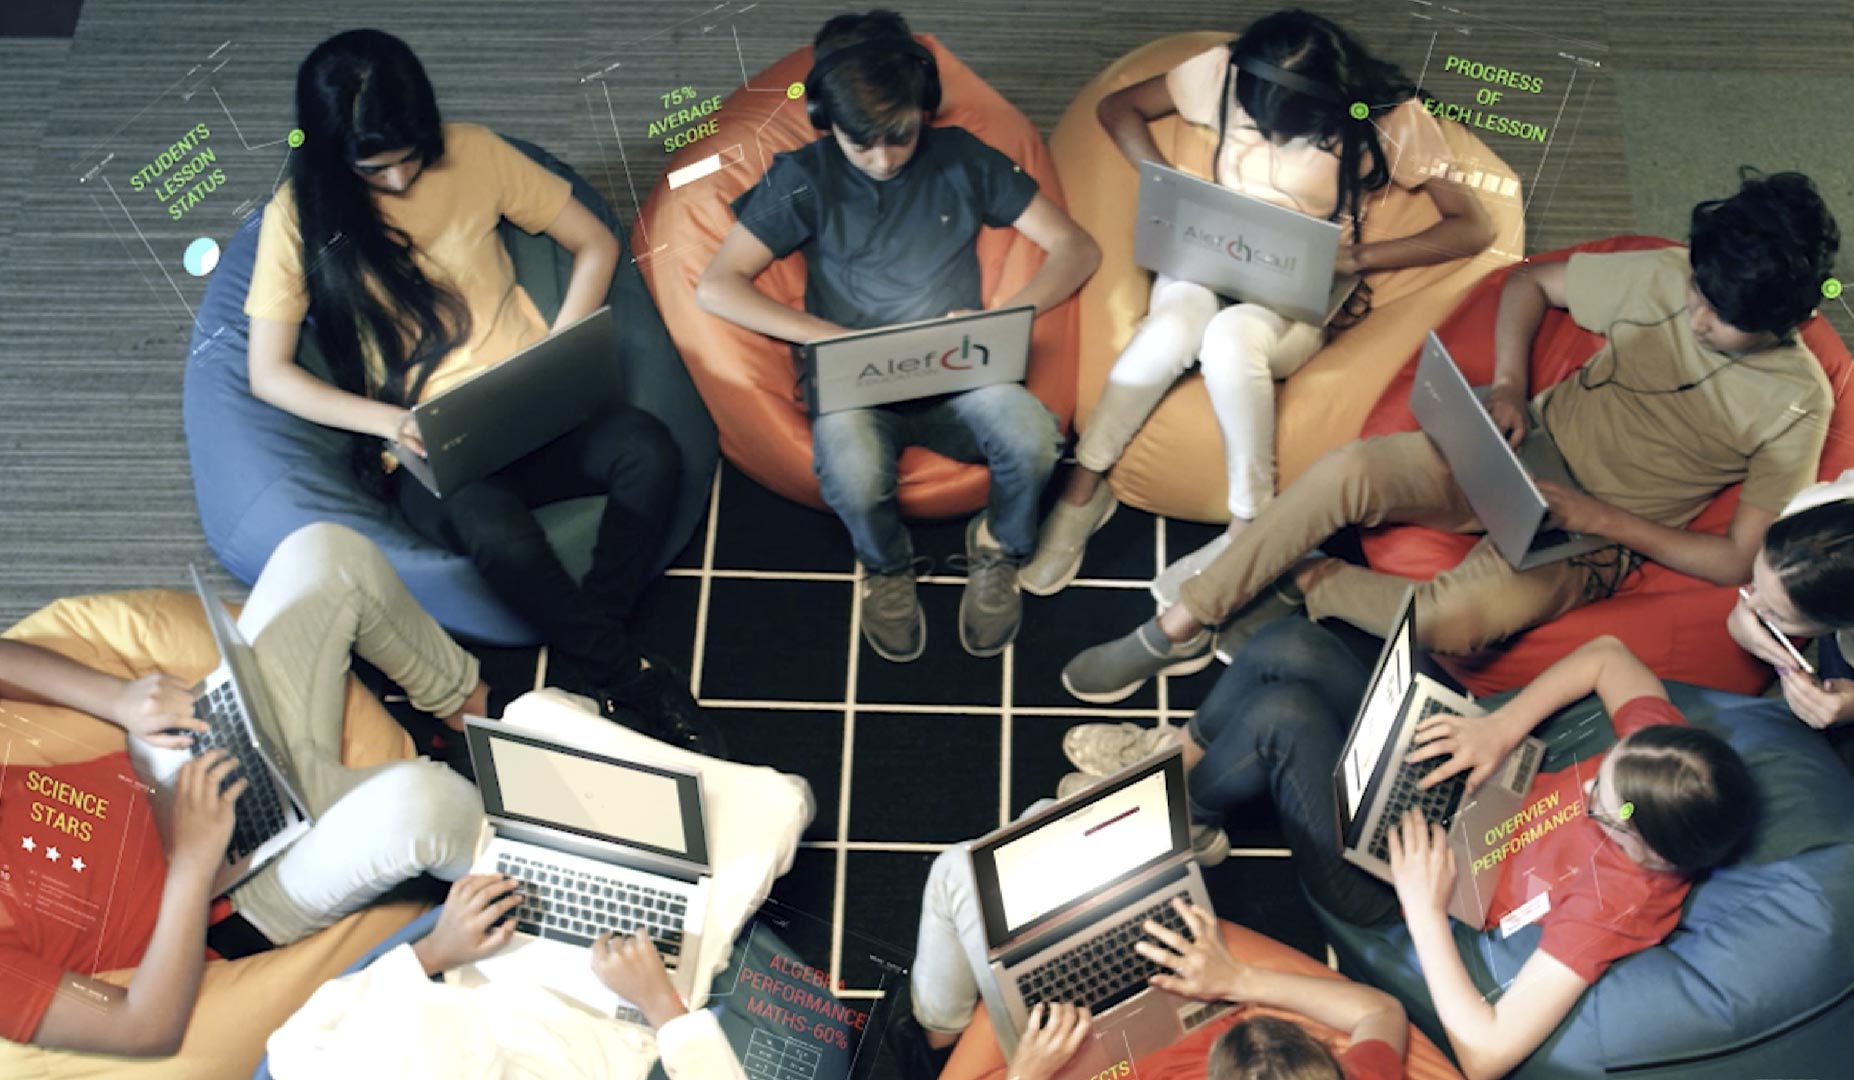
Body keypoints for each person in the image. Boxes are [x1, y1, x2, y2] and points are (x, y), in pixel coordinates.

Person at [1059, 167, 1840, 703]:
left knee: (1449, 625)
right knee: (1346, 472)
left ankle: (1312, 586)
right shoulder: (1668, 273)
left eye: (1723, 319)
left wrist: (1599, 520)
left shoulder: (1797, 402)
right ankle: (1181, 622)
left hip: (1594, 534)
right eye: (1700, 294)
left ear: (1784, 321)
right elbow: (1529, 283)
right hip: (1516, 445)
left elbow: (1737, 557)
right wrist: (1508, 386)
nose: (1699, 317)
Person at [243, 29, 693, 738]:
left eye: (408, 159)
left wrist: (560, 347)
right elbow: (267, 374)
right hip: (433, 441)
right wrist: (389, 423)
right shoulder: (299, 219)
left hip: (533, 406)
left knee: (654, 451)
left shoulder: (474, 152)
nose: (396, 181)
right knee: (499, 536)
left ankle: (592, 646)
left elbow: (595, 242)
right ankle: (623, 675)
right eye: (374, 169)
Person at [1059, 626, 1757, 1080]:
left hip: (1401, 891)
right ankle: (1177, 768)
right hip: (1472, 789)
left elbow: (1485, 1054)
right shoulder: (1665, 764)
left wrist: (1424, 909)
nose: (1585, 799)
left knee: (1287, 718)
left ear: (1646, 848)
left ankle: (1185, 813)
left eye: (1601, 811)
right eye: (1600, 774)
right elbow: (1612, 654)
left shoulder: (1616, 904)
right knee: (1287, 648)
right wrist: (1500, 729)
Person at [1021, 9, 1495, 601]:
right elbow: (1117, 109)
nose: (1266, 139)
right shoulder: (1224, 74)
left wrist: (1357, 261)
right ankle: (1083, 490)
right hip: (1211, 254)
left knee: (1230, 339)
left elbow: (1471, 228)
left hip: (1296, 290)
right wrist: (1169, 184)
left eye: (1286, 134)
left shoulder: (1380, 119)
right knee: (1169, 329)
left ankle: (1250, 523)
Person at [697, 9, 1101, 663]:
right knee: (853, 475)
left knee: (1035, 441)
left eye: (900, 136)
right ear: (828, 121)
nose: (884, 158)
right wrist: (823, 336)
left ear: (924, 107)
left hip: (957, 369)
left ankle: (999, 548)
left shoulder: (964, 158)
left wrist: (1005, 318)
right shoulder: (803, 175)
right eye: (863, 144)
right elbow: (716, 286)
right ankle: (886, 567)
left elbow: (1075, 249)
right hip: (854, 380)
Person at [0, 523, 487, 1056]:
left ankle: (480, 712)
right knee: (423, 806)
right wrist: (191, 862)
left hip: (185, 763)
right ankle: (541, 869)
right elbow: (142, 1029)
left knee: (323, 552)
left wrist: (119, 700)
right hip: (228, 901)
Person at [899, 837, 1408, 1080]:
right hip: (1158, 1019)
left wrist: (1026, 1074)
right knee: (1042, 828)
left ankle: (938, 1035)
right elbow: (1381, 1012)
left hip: (1070, 1060)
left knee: (958, 875)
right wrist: (1241, 979)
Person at [267, 874, 747, 1078]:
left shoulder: (304, 1060)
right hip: (628, 1022)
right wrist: (663, 1008)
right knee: (773, 806)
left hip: (481, 973)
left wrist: (435, 950)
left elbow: (328, 1014)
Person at [1730, 467, 1854, 891]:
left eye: (1777, 613)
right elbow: (1758, 595)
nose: (1753, 603)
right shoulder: (1822, 521)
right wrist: (1744, 620)